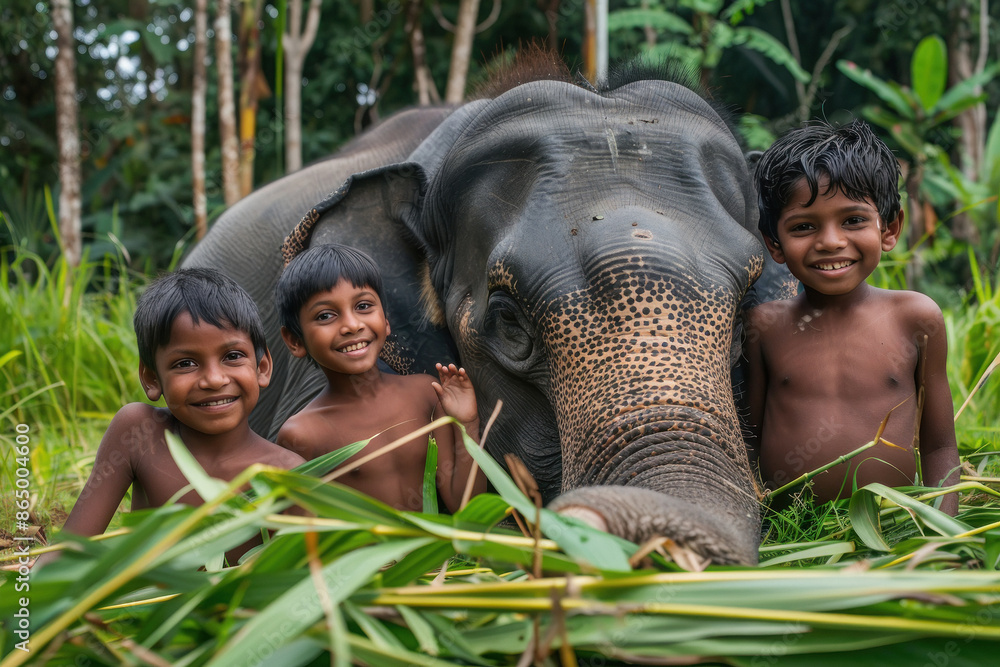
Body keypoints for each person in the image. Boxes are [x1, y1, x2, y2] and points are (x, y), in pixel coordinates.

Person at [745, 120, 961, 514]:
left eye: (853, 220)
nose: (830, 241)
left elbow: (940, 445)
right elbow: (749, 440)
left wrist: (943, 535)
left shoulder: (915, 318)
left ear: (889, 228)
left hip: (892, 529)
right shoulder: (764, 327)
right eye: (804, 226)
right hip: (789, 531)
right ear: (774, 244)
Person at [52, 268, 305, 564]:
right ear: (151, 378)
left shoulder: (287, 474)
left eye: (232, 356)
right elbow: (68, 552)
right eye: (186, 363)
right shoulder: (140, 433)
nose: (213, 379)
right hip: (141, 607)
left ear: (261, 368)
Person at [274, 243, 486, 512]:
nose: (352, 325)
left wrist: (467, 424)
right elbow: (310, 535)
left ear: (386, 320)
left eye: (363, 306)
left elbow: (465, 507)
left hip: (438, 554)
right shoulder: (302, 434)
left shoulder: (425, 393)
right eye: (326, 315)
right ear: (294, 341)